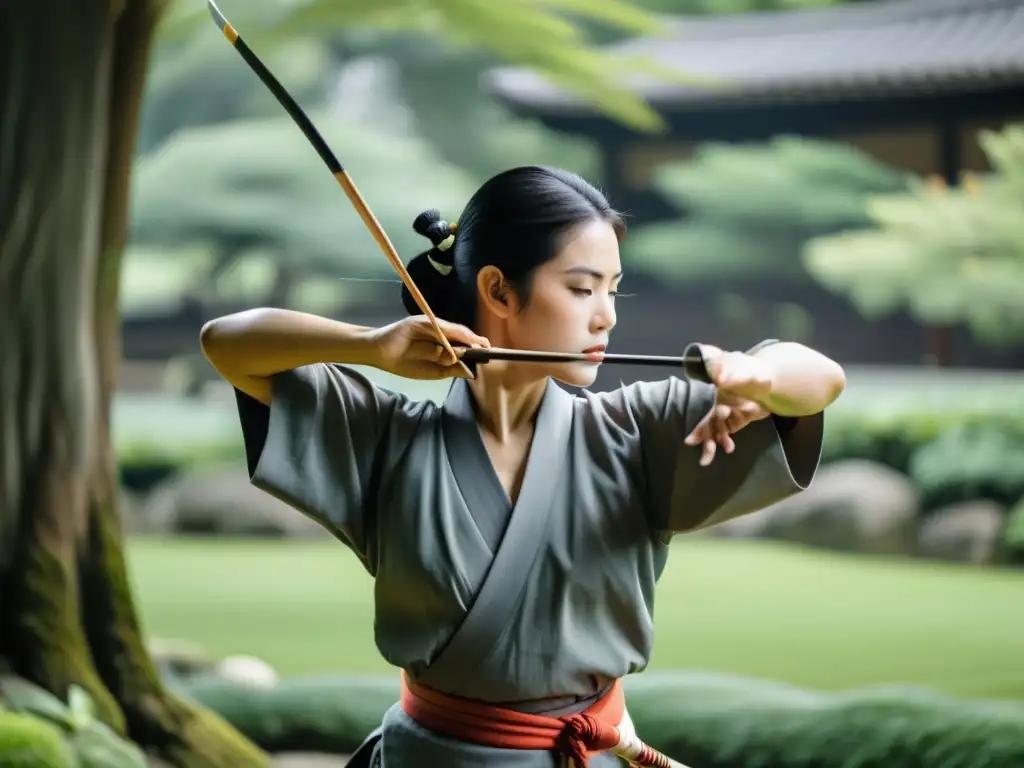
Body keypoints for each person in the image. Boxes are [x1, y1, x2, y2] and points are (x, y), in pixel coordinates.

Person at [200, 165, 846, 767]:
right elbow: (228, 343)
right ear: (498, 289)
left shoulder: (637, 430)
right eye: (581, 288)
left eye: (613, 291)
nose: (607, 316)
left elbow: (820, 379)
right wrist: (369, 346)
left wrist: (759, 375)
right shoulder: (382, 435)